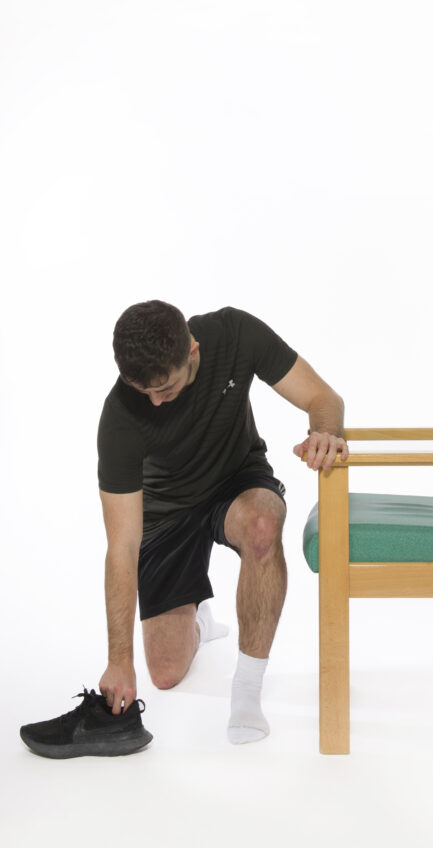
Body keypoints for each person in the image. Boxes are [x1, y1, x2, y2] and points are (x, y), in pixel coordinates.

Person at [97, 300, 348, 745]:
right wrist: (119, 658)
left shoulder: (235, 334)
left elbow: (322, 398)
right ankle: (199, 621)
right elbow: (121, 546)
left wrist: (325, 432)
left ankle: (247, 691)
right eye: (143, 391)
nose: (155, 401)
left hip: (236, 481)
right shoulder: (120, 417)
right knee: (166, 672)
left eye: (166, 388)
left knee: (262, 525)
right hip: (165, 510)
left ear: (192, 351)